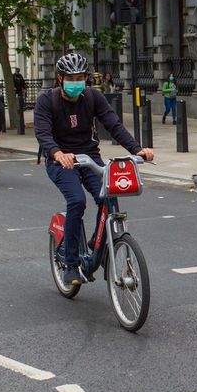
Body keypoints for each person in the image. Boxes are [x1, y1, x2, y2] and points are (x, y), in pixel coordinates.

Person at [34, 51, 154, 288]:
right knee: (77, 201)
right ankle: (70, 264)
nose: (76, 82)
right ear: (60, 79)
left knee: (108, 197)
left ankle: (96, 241)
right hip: (61, 161)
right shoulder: (47, 100)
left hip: (89, 157)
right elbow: (43, 133)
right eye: (71, 78)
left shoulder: (92, 97)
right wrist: (57, 153)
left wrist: (137, 150)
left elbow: (113, 124)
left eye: (80, 77)